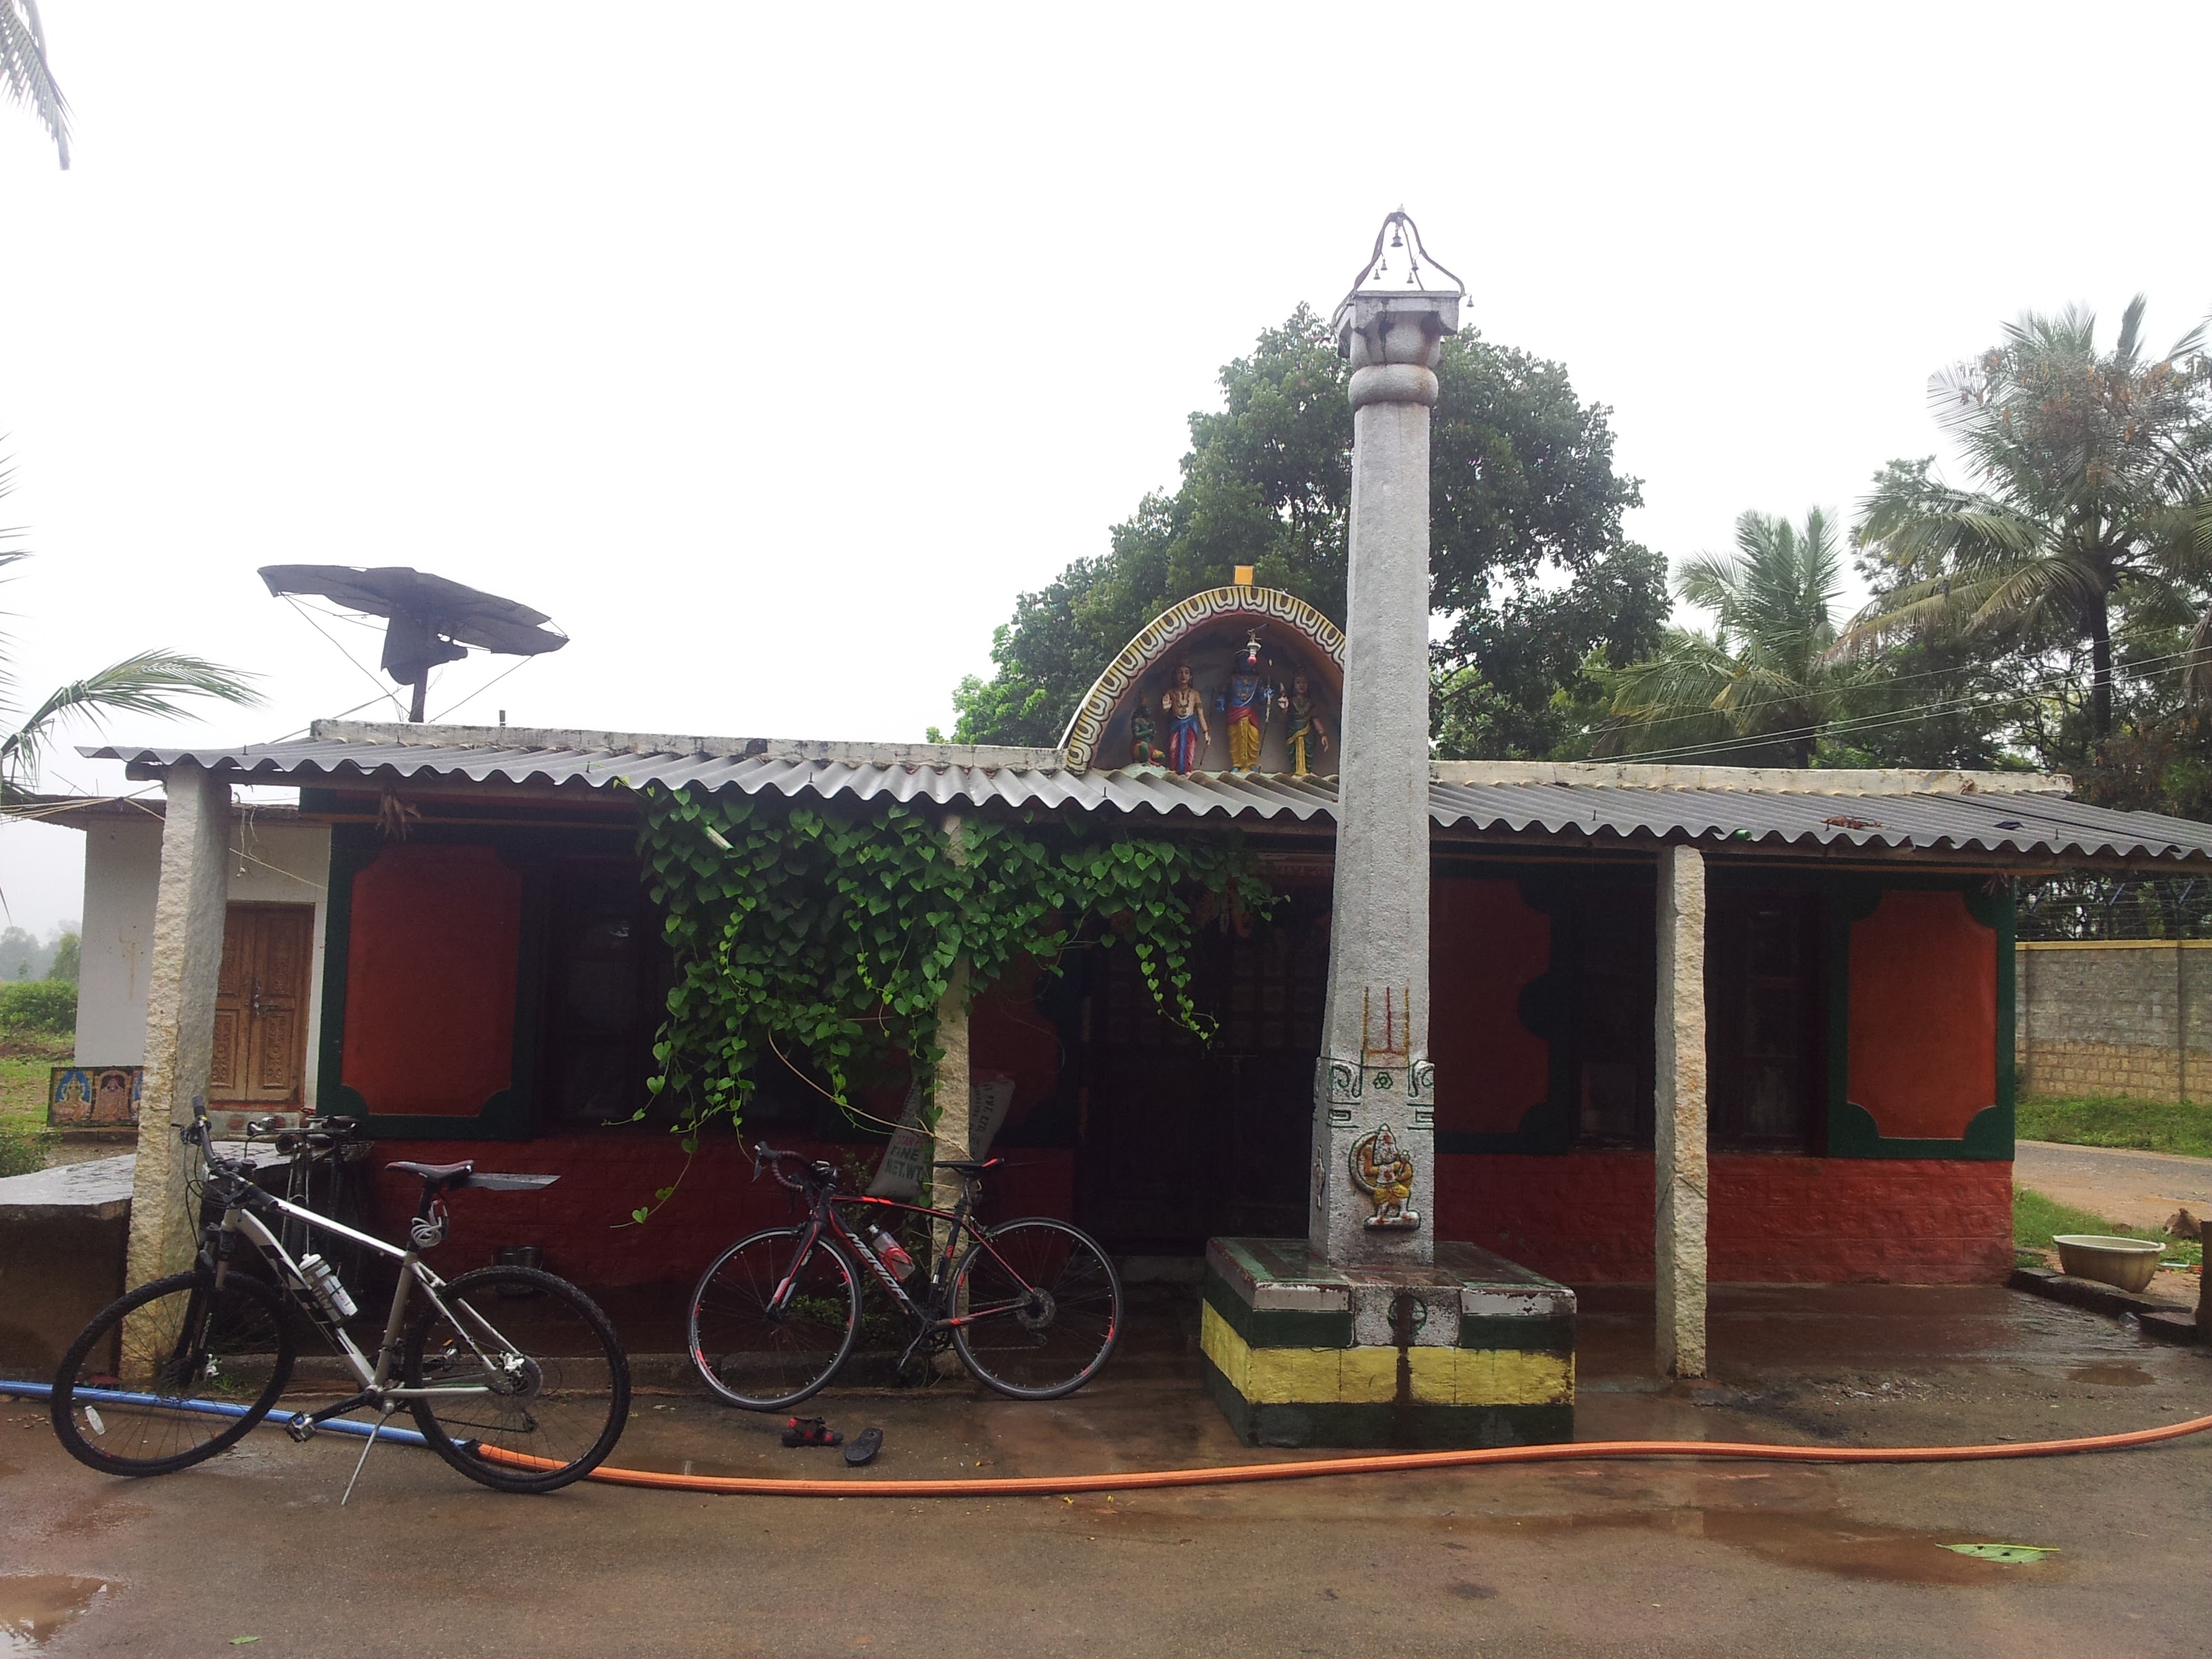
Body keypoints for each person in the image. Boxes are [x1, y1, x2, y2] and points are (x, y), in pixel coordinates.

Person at [1223, 633, 1267, 773]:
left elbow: (1260, 699)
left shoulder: (1257, 680)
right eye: (1244, 660)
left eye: (1249, 659)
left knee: (1252, 737)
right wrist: (1220, 701)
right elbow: (1224, 694)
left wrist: (1266, 696)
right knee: (1235, 738)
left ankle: (1251, 763)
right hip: (1234, 712)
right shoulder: (1232, 679)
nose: (1247, 662)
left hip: (1251, 713)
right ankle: (1237, 763)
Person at [1160, 663, 1209, 774]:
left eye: (1186, 673)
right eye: (1180, 673)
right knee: (1174, 747)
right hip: (1176, 724)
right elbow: (1162, 716)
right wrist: (1165, 709)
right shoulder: (1171, 692)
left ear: (1191, 676)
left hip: (1190, 724)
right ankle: (1174, 768)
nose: (1183, 675)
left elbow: (1200, 713)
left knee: (1189, 748)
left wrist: (1206, 731)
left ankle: (1187, 769)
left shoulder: (1195, 694)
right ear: (1175, 676)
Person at [1286, 672, 1331, 777]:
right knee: (1293, 752)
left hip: (1307, 731)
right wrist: (1284, 709)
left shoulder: (1310, 703)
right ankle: (1296, 770)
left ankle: (1307, 771)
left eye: (1304, 682)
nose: (1302, 685)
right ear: (1294, 685)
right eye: (1298, 682)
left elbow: (1315, 719)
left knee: (1308, 751)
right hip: (1292, 731)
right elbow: (1282, 719)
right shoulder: (1290, 702)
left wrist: (1323, 734)